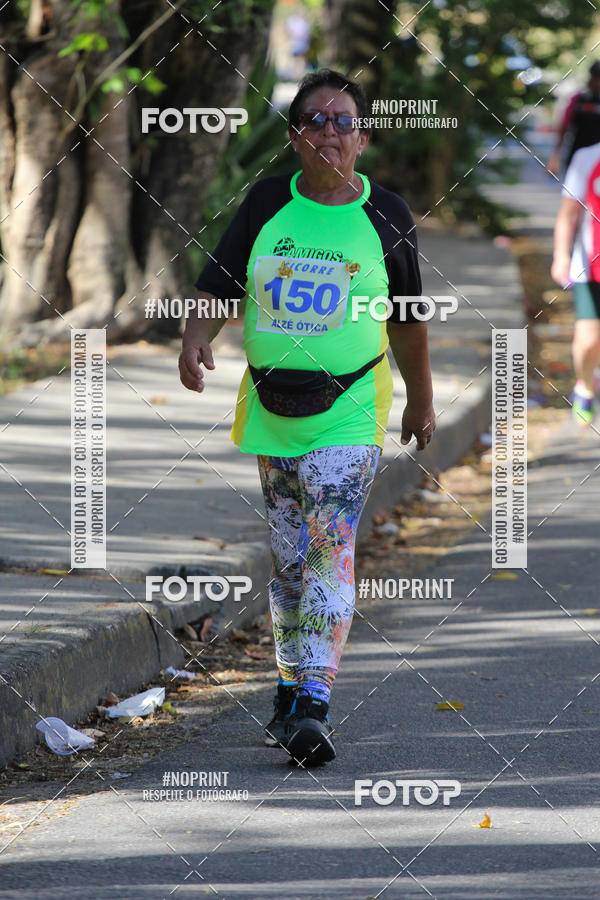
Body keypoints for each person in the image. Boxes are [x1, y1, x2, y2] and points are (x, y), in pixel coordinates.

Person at [179, 69, 435, 764]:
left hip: (350, 410)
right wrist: (197, 336)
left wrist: (422, 397)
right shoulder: (266, 201)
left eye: (342, 121)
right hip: (272, 407)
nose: (329, 131)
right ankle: (290, 690)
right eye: (314, 121)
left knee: (329, 548)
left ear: (364, 137)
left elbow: (410, 319)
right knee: (290, 560)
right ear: (293, 137)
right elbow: (217, 285)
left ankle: (316, 700)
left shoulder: (387, 214)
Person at [551, 139, 600, 426]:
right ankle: (585, 384)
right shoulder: (587, 157)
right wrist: (561, 255)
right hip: (591, 266)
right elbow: (568, 214)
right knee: (589, 339)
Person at [547, 62, 600, 178]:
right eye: (596, 78)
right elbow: (563, 127)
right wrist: (555, 156)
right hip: (578, 153)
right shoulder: (578, 99)